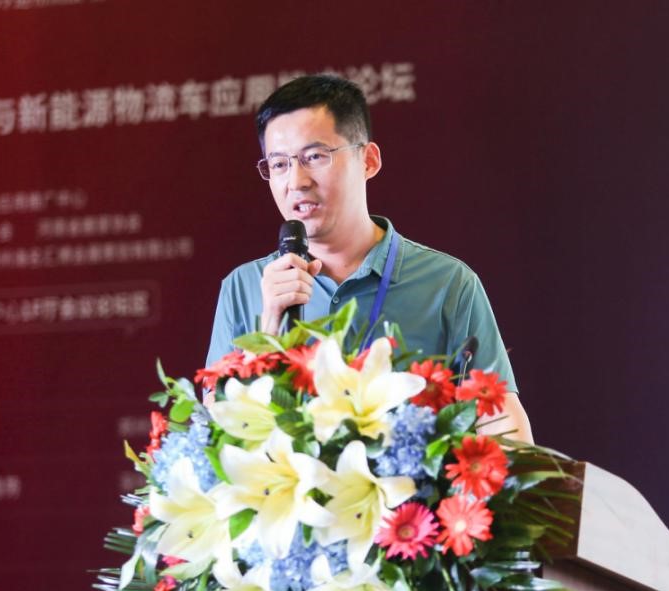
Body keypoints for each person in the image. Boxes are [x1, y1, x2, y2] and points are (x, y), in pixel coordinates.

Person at [205, 74, 533, 443]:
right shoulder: (244, 287)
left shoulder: (448, 284)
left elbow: (501, 421)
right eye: (279, 164)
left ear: (369, 160)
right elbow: (216, 435)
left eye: (315, 157)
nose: (296, 181)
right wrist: (268, 331)